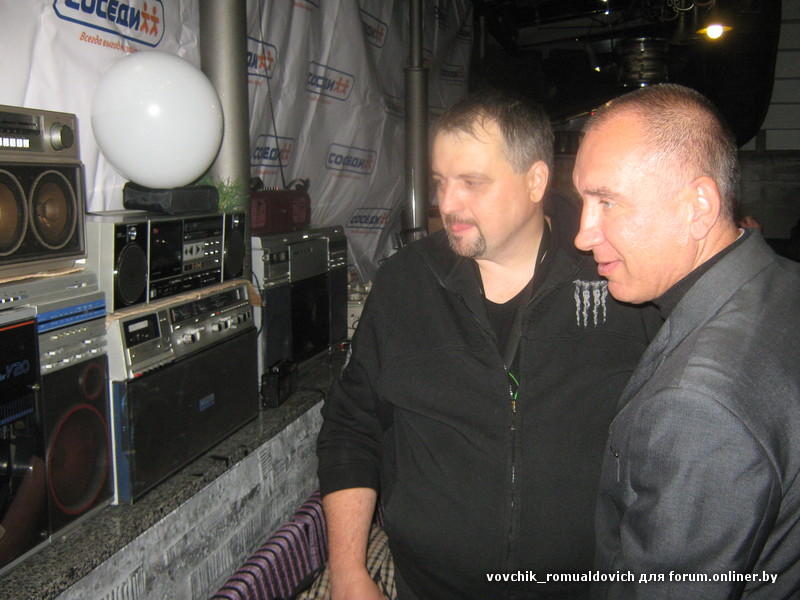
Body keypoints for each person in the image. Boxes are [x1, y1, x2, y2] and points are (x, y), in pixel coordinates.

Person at [315, 88, 660, 600]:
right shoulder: (405, 283)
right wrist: (347, 570)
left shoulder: (618, 280)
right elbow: (351, 426)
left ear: (536, 180)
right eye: (440, 182)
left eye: (472, 183)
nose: (447, 204)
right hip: (428, 588)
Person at [572, 83, 800, 599]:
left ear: (698, 206)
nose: (583, 235)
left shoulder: (697, 405)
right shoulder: (781, 283)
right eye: (585, 202)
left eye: (607, 201)